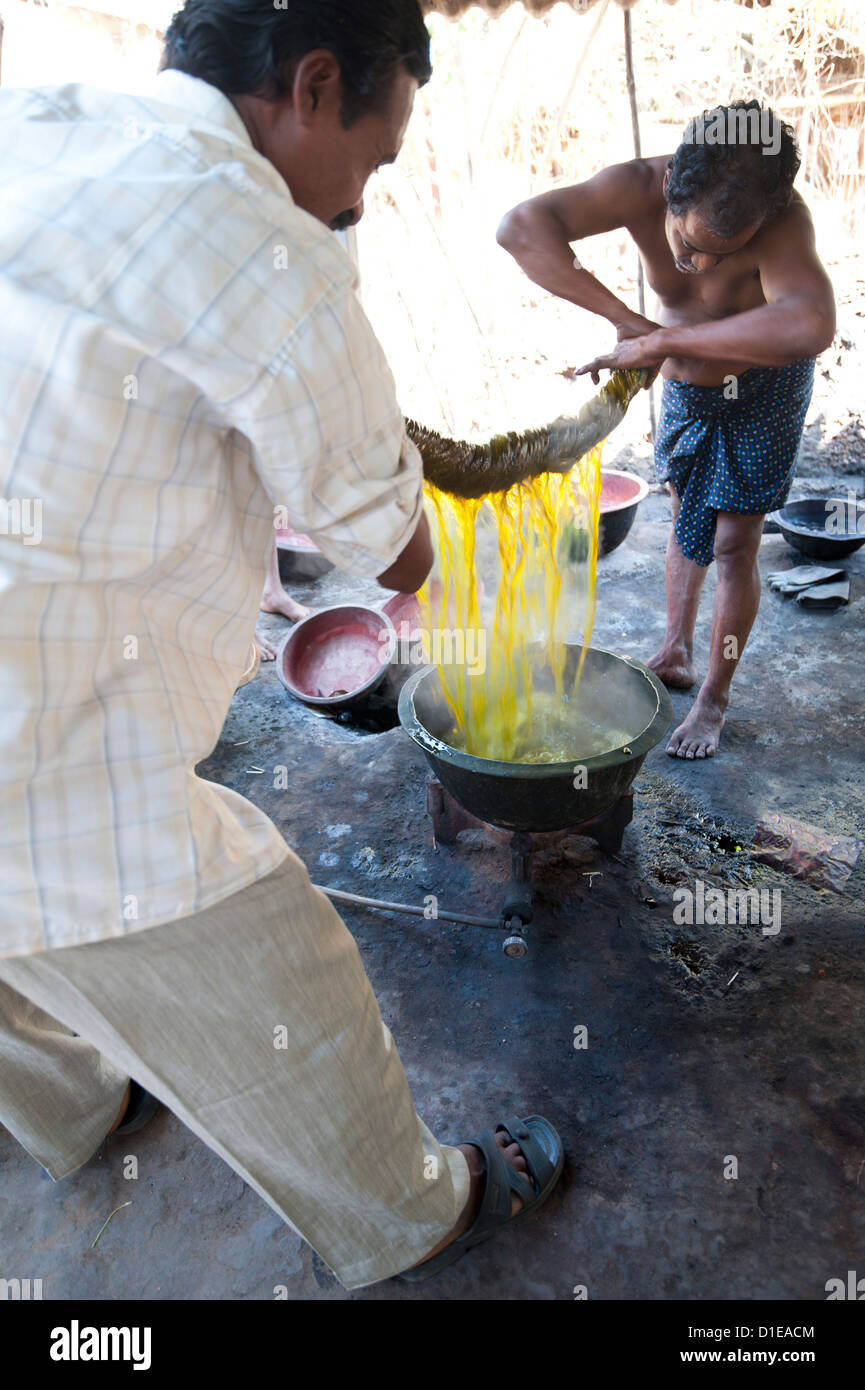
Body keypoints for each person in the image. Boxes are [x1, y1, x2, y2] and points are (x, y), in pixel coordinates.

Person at [0, 0, 563, 1290]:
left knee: (18, 946)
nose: (359, 199)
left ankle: (77, 1108)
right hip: (26, 742)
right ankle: (407, 1209)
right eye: (370, 161)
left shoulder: (40, 122)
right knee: (259, 936)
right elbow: (394, 537)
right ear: (313, 86)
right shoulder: (258, 243)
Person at [497, 101, 836, 759]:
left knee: (736, 544)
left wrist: (663, 342)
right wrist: (629, 324)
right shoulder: (633, 185)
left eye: (723, 256)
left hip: (764, 390)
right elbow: (519, 229)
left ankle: (712, 698)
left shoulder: (784, 221)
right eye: (688, 247)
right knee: (686, 516)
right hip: (684, 386)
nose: (702, 269)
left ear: (766, 217)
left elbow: (807, 325)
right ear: (668, 191)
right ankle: (674, 647)